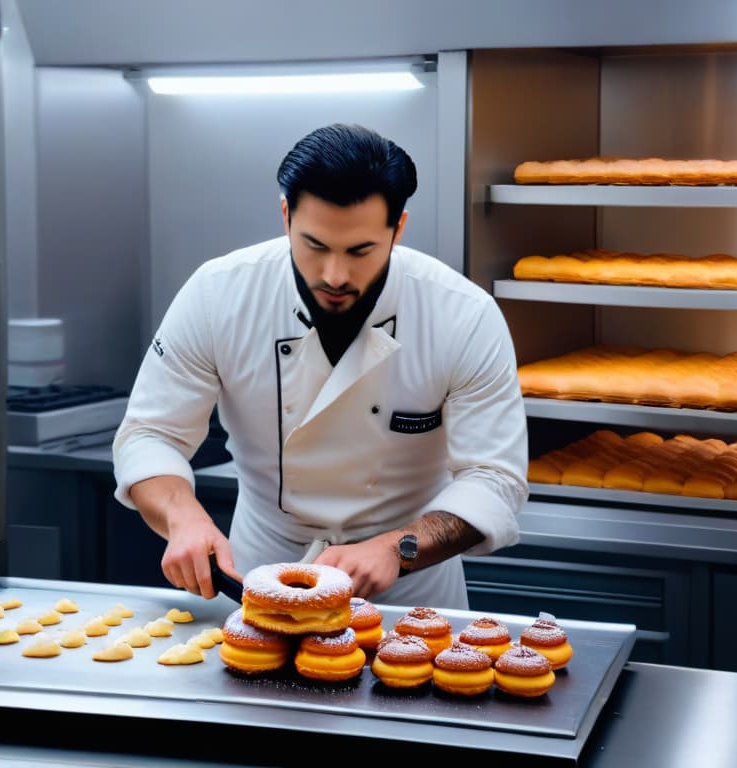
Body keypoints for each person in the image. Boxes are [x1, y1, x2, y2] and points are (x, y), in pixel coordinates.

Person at [112, 123, 528, 610]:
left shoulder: (462, 314)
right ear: (285, 215)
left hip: (411, 594)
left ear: (398, 229)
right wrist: (183, 516)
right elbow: (149, 433)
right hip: (257, 576)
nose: (335, 275)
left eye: (360, 251)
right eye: (315, 245)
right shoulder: (218, 294)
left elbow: (495, 479)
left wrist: (399, 549)